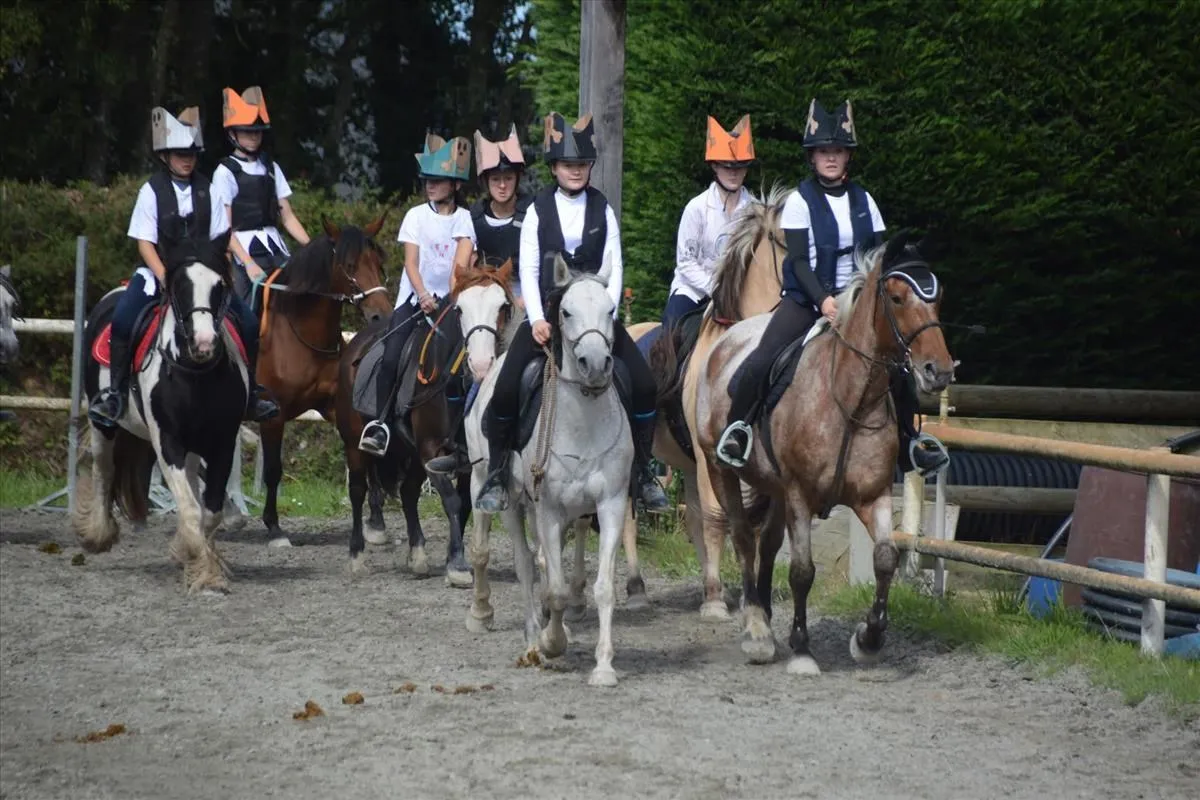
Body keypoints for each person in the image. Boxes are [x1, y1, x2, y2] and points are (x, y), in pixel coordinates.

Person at [715, 99, 948, 475]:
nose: (831, 157)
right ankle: (738, 430)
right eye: (824, 151)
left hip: (860, 304)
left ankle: (911, 442)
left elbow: (882, 257)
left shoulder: (865, 201)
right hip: (807, 300)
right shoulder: (800, 202)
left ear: (847, 156)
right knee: (762, 359)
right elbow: (798, 262)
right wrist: (823, 300)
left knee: (899, 370)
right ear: (812, 156)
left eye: (837, 150)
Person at [474, 111, 669, 514]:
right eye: (567, 164)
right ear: (555, 167)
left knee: (645, 384)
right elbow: (528, 268)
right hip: (548, 318)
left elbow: (614, 264)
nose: (575, 171)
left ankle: (644, 473)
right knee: (508, 385)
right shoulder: (537, 211)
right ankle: (496, 473)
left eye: (581, 164)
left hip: (596, 321)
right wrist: (538, 320)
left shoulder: (604, 209)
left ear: (589, 167)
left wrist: (606, 314)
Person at [88, 107, 277, 428]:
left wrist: (234, 269)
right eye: (179, 154)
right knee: (121, 321)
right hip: (157, 274)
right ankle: (116, 395)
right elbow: (144, 242)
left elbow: (222, 236)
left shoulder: (209, 189)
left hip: (203, 277)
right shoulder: (151, 191)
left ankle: (251, 395)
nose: (187, 159)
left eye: (191, 153)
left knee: (246, 322)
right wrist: (163, 275)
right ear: (165, 156)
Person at [358, 132, 475, 456]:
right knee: (392, 353)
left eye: (438, 180)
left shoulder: (465, 220)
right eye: (427, 180)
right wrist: (422, 294)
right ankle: (379, 423)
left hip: (451, 301)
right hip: (414, 300)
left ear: (454, 185)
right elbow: (411, 263)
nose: (430, 185)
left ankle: (464, 431)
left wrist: (450, 299)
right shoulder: (415, 216)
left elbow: (459, 265)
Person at [211, 86, 311, 300]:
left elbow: (288, 217)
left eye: (257, 131)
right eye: (248, 131)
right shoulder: (225, 173)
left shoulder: (271, 168)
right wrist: (248, 263)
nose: (254, 136)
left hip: (275, 248)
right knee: (241, 307)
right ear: (232, 134)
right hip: (241, 251)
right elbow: (224, 228)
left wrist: (312, 246)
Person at [662, 114, 755, 330]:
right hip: (693, 291)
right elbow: (685, 262)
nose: (733, 172)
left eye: (740, 166)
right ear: (714, 166)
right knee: (670, 333)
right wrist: (715, 287)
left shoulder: (756, 209)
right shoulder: (696, 208)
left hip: (740, 294)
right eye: (726, 166)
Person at [470, 125, 532, 304]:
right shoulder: (474, 217)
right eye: (496, 179)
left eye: (509, 178)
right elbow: (466, 262)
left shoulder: (532, 213)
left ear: (517, 179)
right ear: (486, 182)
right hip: (485, 292)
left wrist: (528, 297)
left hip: (525, 292)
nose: (502, 186)